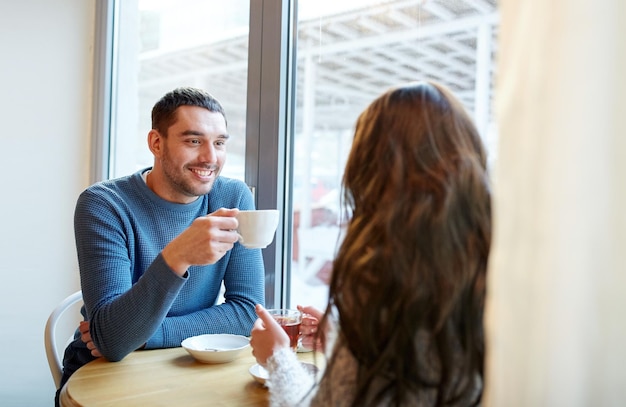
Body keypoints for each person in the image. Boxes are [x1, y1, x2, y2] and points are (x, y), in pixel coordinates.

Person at [250, 80, 491, 406]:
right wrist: (342, 340)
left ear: (370, 174)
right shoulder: (490, 265)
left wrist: (278, 358)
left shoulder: (386, 283)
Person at [55, 87, 265, 403]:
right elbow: (112, 346)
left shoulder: (233, 198)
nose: (210, 157)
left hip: (191, 364)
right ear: (156, 143)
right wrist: (178, 254)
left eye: (219, 143)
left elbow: (247, 312)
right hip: (105, 371)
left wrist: (143, 336)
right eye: (194, 141)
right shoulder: (104, 205)